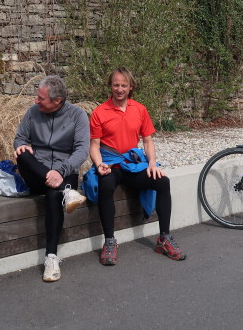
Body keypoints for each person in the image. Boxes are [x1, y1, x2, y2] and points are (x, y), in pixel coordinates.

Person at [89, 67, 186, 265]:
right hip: (111, 165)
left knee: (162, 181)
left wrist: (151, 163)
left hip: (132, 164)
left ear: (131, 87)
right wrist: (99, 165)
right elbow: (94, 146)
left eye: (124, 85)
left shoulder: (139, 109)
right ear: (110, 85)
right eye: (116, 84)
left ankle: (164, 238)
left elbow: (148, 142)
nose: (119, 89)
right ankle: (109, 241)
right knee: (105, 185)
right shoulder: (99, 112)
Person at [14, 75, 90, 282]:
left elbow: (82, 150)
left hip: (65, 173)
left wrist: (60, 170)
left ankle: (51, 257)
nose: (36, 101)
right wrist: (23, 146)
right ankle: (66, 191)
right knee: (22, 153)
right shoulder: (32, 113)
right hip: (37, 173)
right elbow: (20, 138)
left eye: (40, 98)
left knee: (53, 196)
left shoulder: (77, 115)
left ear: (57, 101)